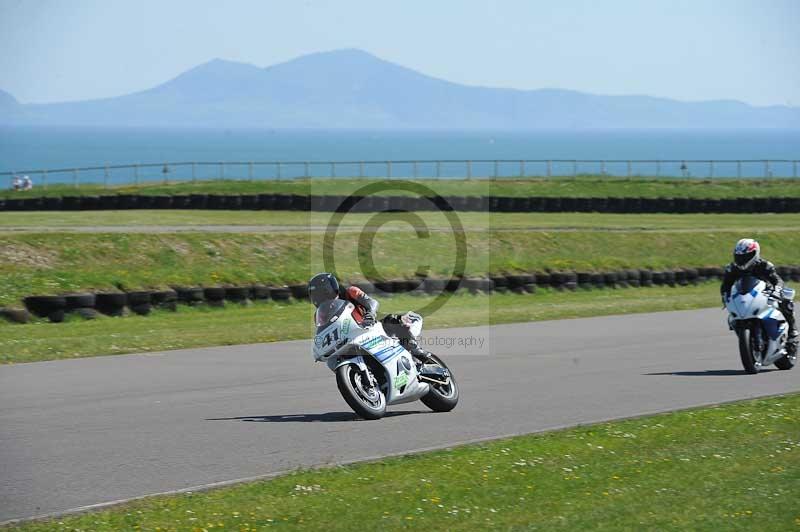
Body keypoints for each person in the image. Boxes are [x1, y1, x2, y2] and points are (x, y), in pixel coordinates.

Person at [308, 272, 433, 363]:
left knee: (392, 320)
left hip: (369, 328)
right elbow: (323, 332)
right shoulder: (319, 315)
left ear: (332, 288)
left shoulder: (350, 292)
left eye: (324, 292)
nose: (322, 297)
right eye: (317, 295)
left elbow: (372, 303)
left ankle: (415, 350)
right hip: (348, 341)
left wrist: (370, 315)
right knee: (334, 360)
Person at [720, 238, 797, 346]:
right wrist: (725, 296)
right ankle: (747, 338)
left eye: (745, 257)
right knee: (731, 318)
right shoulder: (732, 269)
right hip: (746, 295)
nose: (742, 260)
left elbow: (778, 280)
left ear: (755, 254)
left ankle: (792, 330)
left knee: (786, 300)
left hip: (765, 292)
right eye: (739, 257)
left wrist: (776, 291)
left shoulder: (764, 265)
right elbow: (726, 285)